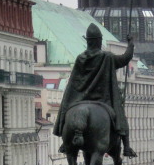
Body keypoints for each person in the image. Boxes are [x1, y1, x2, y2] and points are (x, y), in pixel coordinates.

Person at [54, 23, 136, 156]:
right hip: (103, 100)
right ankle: (126, 148)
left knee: (67, 110)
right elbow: (125, 59)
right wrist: (131, 44)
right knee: (121, 117)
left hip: (80, 99)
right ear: (99, 41)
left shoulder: (80, 58)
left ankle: (66, 141)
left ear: (88, 42)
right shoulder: (107, 57)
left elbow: (73, 84)